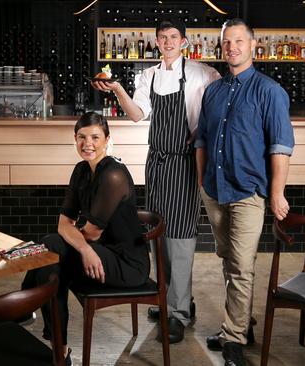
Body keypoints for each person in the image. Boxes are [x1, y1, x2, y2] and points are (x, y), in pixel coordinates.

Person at [91, 19, 220, 343]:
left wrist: (205, 138)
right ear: (157, 43)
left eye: (173, 37)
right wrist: (118, 89)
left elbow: (217, 106)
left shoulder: (203, 73)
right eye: (162, 38)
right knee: (158, 233)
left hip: (185, 162)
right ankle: (170, 299)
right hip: (158, 162)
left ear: (184, 42)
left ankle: (178, 313)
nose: (168, 42)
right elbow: (137, 115)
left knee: (180, 236)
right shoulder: (147, 75)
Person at [195, 18, 295, 366]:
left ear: (253, 46)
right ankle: (241, 323)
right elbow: (202, 140)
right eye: (227, 43)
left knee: (240, 266)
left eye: (239, 41)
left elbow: (280, 147)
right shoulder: (214, 91)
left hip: (248, 193)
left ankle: (234, 337)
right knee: (228, 259)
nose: (232, 48)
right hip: (214, 190)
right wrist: (200, 182)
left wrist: (277, 193)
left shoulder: (270, 92)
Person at [21, 112, 150, 364]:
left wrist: (85, 247)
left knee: (51, 246)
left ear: (107, 140)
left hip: (126, 264)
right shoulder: (81, 170)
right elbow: (63, 223)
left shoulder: (114, 175)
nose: (87, 143)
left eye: (94, 137)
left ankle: (24, 306)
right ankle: (61, 352)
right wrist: (86, 250)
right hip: (98, 254)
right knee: (52, 266)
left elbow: (91, 232)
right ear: (74, 139)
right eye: (81, 137)